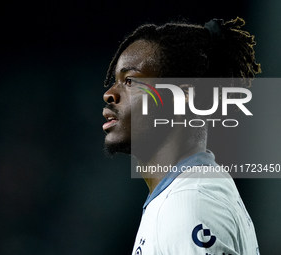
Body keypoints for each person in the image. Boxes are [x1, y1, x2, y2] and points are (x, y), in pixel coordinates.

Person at [102, 17, 261, 254]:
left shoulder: (189, 203)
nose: (109, 94)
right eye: (115, 81)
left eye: (130, 81)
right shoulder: (183, 195)